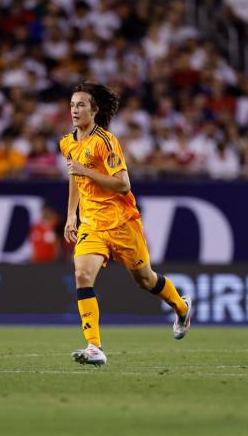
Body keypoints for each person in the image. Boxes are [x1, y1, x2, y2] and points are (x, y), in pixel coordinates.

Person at [60, 81, 192, 367]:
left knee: (145, 279)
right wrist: (72, 214)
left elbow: (123, 184)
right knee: (82, 275)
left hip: (121, 223)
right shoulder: (68, 142)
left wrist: (85, 170)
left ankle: (181, 308)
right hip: (92, 224)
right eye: (72, 105)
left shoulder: (105, 141)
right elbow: (75, 177)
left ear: (94, 110)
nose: (75, 110)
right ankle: (94, 346)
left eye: (81, 104)